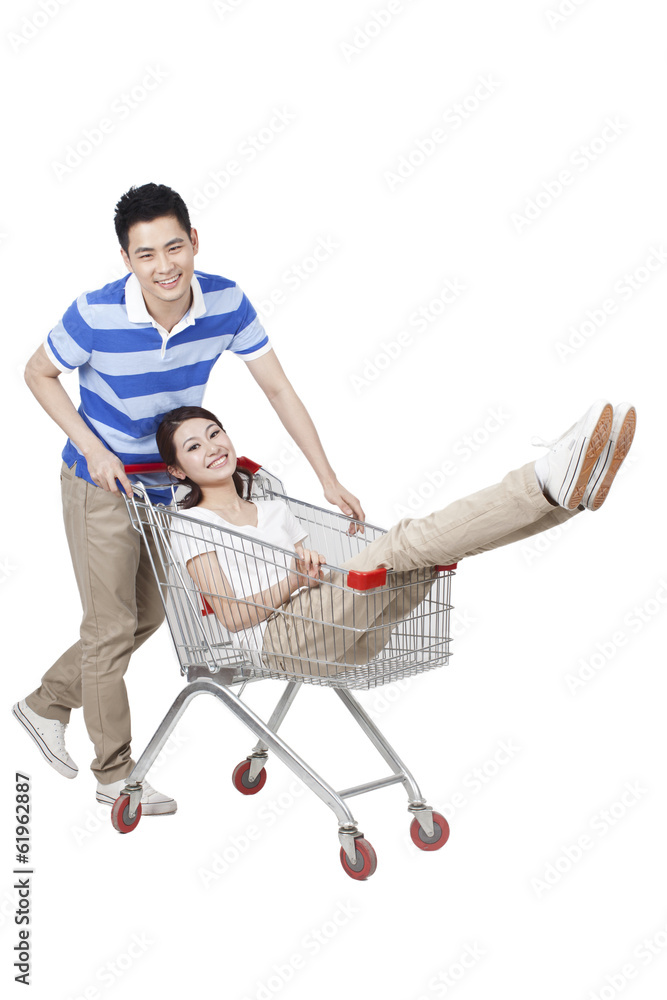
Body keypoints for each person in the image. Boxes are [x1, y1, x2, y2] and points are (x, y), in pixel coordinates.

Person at [12, 182, 364, 816]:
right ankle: (115, 775)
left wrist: (327, 476)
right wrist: (93, 448)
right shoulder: (94, 314)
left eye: (175, 247)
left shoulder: (227, 303)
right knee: (112, 625)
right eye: (146, 255)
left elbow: (278, 390)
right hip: (99, 484)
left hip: (170, 490)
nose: (164, 266)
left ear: (194, 242)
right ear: (126, 259)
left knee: (144, 617)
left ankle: (46, 702)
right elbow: (38, 372)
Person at [155, 399, 636, 677]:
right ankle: (545, 480)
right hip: (278, 645)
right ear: (178, 470)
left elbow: (310, 569)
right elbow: (234, 617)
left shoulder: (275, 507)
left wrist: (310, 570)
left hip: (340, 632)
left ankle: (565, 498)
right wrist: (294, 582)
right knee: (401, 543)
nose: (212, 447)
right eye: (194, 446)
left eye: (215, 433)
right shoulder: (192, 526)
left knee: (432, 552)